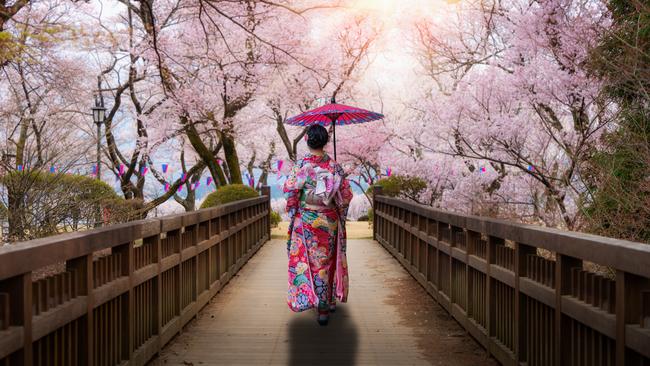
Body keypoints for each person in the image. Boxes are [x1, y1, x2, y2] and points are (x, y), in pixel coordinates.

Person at [283, 124, 353, 326]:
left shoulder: (301, 165)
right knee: (328, 261)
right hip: (329, 219)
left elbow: (290, 192)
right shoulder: (334, 166)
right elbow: (346, 196)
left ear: (306, 140)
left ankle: (316, 302)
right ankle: (328, 301)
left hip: (306, 220)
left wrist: (295, 207)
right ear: (326, 142)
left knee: (309, 261)